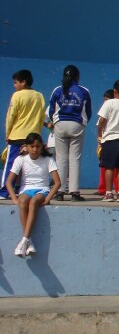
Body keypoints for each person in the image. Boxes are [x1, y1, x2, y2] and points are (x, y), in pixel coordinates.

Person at [6, 133, 61, 257]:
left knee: (34, 201)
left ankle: (24, 240)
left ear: (42, 147)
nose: (35, 149)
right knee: (23, 201)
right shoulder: (20, 159)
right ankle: (28, 242)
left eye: (38, 146)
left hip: (42, 190)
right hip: (26, 190)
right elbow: (9, 182)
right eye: (32, 146)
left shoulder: (48, 160)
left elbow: (57, 182)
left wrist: (47, 199)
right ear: (26, 147)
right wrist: (15, 199)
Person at [48, 65, 92, 202]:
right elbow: (88, 111)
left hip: (60, 124)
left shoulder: (57, 90)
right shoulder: (83, 91)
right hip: (77, 125)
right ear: (77, 76)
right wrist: (83, 123)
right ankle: (74, 192)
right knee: (75, 158)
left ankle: (59, 192)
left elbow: (51, 110)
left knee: (61, 158)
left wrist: (55, 122)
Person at [1, 70, 46, 200]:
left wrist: (8, 134)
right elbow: (42, 117)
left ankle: (4, 191)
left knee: (10, 164)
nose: (14, 85)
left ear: (23, 82)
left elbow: (11, 116)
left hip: (17, 136)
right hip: (33, 137)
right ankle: (20, 189)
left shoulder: (17, 96)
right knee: (28, 165)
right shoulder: (39, 96)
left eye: (16, 82)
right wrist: (37, 134)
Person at [96, 89, 118, 196]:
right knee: (103, 167)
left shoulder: (116, 111)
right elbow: (99, 126)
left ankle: (118, 189)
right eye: (104, 99)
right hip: (104, 142)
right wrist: (99, 140)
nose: (105, 102)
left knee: (116, 168)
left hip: (114, 141)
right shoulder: (103, 112)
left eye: (107, 99)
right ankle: (103, 189)